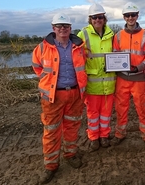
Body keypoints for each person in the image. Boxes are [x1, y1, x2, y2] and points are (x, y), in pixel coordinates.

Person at [32, 13, 87, 184]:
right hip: (53, 97)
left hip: (75, 94)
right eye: (59, 26)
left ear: (70, 28)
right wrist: (49, 84)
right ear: (53, 28)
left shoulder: (78, 47)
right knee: (51, 131)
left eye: (66, 26)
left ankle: (70, 154)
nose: (62, 28)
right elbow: (37, 67)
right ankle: (51, 165)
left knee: (72, 127)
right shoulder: (42, 48)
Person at [110, 2, 145, 151]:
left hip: (139, 78)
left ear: (137, 16)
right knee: (121, 108)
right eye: (127, 15)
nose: (130, 18)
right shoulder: (118, 36)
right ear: (124, 17)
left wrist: (140, 67)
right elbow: (114, 55)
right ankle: (120, 133)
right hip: (122, 79)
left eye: (133, 15)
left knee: (142, 108)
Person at [77, 3, 116, 152]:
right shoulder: (83, 34)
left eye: (100, 17)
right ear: (90, 19)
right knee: (93, 114)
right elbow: (76, 55)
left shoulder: (111, 35)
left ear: (104, 19)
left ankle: (104, 136)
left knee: (106, 113)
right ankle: (93, 138)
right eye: (94, 17)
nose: (97, 20)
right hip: (92, 84)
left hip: (109, 83)